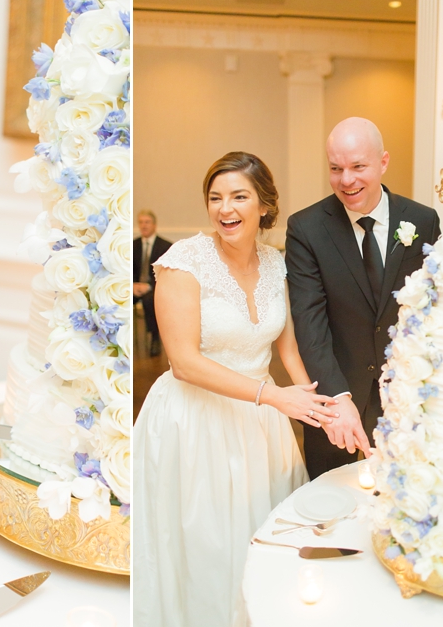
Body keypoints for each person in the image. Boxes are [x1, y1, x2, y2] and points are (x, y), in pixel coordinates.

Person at [133, 152, 339, 627]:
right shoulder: (183, 263)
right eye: (215, 197)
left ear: (264, 205)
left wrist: (324, 404)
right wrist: (275, 397)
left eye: (239, 197)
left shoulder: (276, 262)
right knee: (205, 545)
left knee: (260, 536)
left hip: (260, 428)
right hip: (194, 422)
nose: (225, 208)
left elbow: (289, 349)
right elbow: (184, 363)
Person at [285, 117, 441, 480]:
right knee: (330, 496)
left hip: (405, 393)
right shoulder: (306, 228)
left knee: (402, 490)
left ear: (383, 162)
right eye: (335, 168)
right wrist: (338, 398)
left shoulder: (423, 221)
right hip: (335, 396)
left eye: (358, 167)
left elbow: (433, 308)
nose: (346, 180)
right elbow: (310, 323)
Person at [133, 210, 172, 356]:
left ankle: (155, 338)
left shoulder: (165, 246)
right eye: (141, 222)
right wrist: (132, 285)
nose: (144, 225)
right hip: (135, 287)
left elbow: (167, 275)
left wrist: (149, 286)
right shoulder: (133, 245)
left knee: (150, 300)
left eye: (147, 222)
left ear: (154, 225)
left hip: (155, 287)